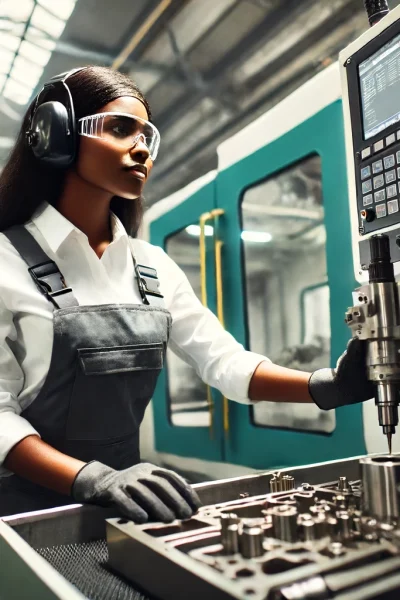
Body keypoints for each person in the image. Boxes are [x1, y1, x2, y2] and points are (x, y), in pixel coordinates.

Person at [0, 66, 373, 521]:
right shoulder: (6, 261)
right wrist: (94, 479)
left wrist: (327, 387)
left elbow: (224, 362)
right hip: (24, 517)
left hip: (132, 504)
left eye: (146, 136)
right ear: (53, 136)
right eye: (120, 129)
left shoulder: (151, 264)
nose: (141, 149)